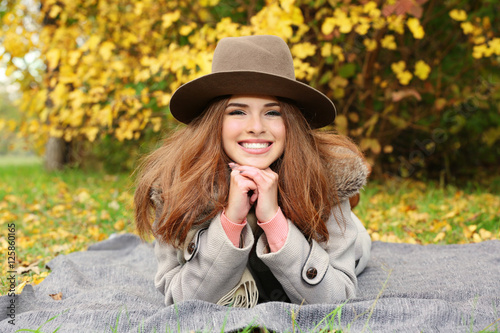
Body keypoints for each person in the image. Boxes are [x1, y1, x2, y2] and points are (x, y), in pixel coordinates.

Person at [134, 35, 371, 308]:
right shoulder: (176, 185)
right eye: (237, 112)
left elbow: (335, 298)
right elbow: (181, 300)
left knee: (359, 241)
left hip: (350, 241)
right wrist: (231, 221)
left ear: (290, 122)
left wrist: (274, 221)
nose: (256, 127)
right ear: (214, 122)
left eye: (273, 113)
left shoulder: (328, 178)